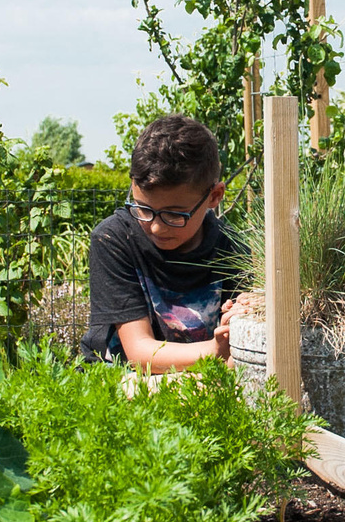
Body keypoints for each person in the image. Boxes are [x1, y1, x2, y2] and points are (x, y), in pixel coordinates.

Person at [80, 114, 252, 372]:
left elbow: (239, 356)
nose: (157, 227)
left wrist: (247, 314)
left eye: (175, 214)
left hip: (200, 376)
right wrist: (216, 350)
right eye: (143, 209)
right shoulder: (114, 239)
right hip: (119, 379)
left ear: (214, 196)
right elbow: (139, 353)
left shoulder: (232, 248)